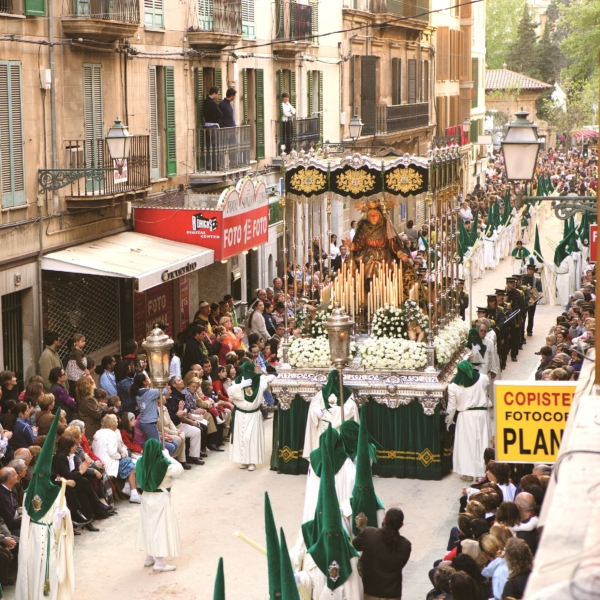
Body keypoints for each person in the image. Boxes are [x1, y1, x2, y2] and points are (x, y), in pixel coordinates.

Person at [16, 412, 74, 600]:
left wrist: (63, 517)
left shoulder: (29, 493)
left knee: (36, 571)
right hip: (46, 537)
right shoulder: (56, 494)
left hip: (33, 538)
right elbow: (62, 525)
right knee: (41, 573)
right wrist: (64, 518)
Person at [136, 438, 184, 573]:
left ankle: (149, 557)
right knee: (160, 529)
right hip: (160, 498)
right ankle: (159, 562)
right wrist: (169, 457)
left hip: (146, 498)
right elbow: (180, 470)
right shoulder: (164, 464)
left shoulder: (140, 462)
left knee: (148, 526)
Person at [352, 507, 411, 600]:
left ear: (384, 519)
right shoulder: (406, 545)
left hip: (369, 592)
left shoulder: (368, 534)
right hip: (392, 594)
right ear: (401, 525)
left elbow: (353, 548)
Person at [445, 361, 491, 480]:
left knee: (467, 443)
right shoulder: (483, 378)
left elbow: (452, 407)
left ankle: (469, 472)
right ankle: (484, 470)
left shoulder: (453, 386)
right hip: (482, 414)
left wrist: (449, 421)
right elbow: (486, 392)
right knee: (483, 440)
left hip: (465, 416)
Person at [228, 361, 275, 471]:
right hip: (240, 413)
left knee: (251, 438)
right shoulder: (238, 381)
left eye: (249, 371)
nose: (247, 373)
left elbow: (272, 377)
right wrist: (241, 386)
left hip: (253, 414)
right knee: (241, 437)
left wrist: (263, 376)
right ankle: (243, 461)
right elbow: (229, 392)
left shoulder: (259, 380)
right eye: (245, 371)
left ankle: (252, 462)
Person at [303, 369, 360, 459]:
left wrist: (337, 410)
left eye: (337, 379)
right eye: (332, 379)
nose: (334, 382)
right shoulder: (322, 393)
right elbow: (313, 406)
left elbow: (352, 409)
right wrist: (317, 412)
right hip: (324, 427)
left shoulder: (347, 393)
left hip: (339, 427)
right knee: (324, 453)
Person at [92, 414, 141, 504]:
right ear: (113, 424)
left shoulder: (98, 432)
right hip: (107, 463)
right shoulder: (112, 434)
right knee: (128, 462)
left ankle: (128, 487)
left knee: (127, 461)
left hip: (99, 461)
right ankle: (133, 492)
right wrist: (121, 456)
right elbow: (113, 453)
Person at [75, 376, 108, 441]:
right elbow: (98, 414)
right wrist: (104, 407)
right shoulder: (88, 399)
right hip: (92, 429)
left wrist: (98, 405)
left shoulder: (84, 398)